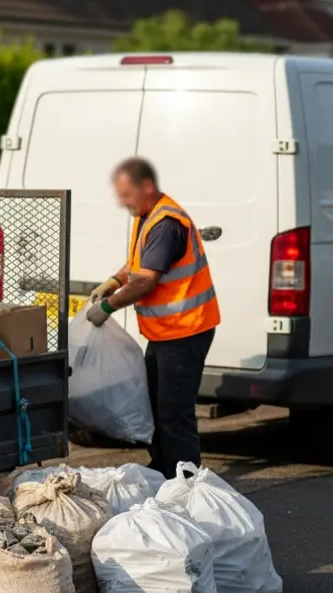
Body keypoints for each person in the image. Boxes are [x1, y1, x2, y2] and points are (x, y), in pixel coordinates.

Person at [85, 158, 220, 478]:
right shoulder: (147, 214)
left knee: (175, 412)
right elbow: (137, 265)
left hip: (186, 330)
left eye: (127, 195)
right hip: (168, 331)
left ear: (147, 187)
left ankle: (186, 480)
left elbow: (146, 281)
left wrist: (108, 307)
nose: (123, 203)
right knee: (156, 404)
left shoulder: (165, 223)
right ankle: (163, 467)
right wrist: (115, 281)